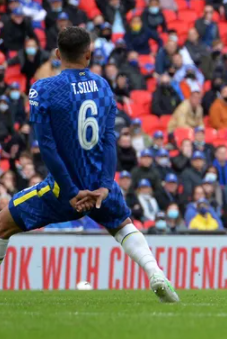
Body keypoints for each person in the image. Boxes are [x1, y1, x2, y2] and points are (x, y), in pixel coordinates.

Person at [0, 27, 178, 302]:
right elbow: (109, 139)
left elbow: (46, 147)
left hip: (63, 189)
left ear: (58, 54)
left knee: (3, 225)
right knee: (123, 225)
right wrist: (106, 186)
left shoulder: (44, 89)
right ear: (89, 54)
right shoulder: (103, 86)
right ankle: (155, 272)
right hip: (100, 186)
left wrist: (71, 192)